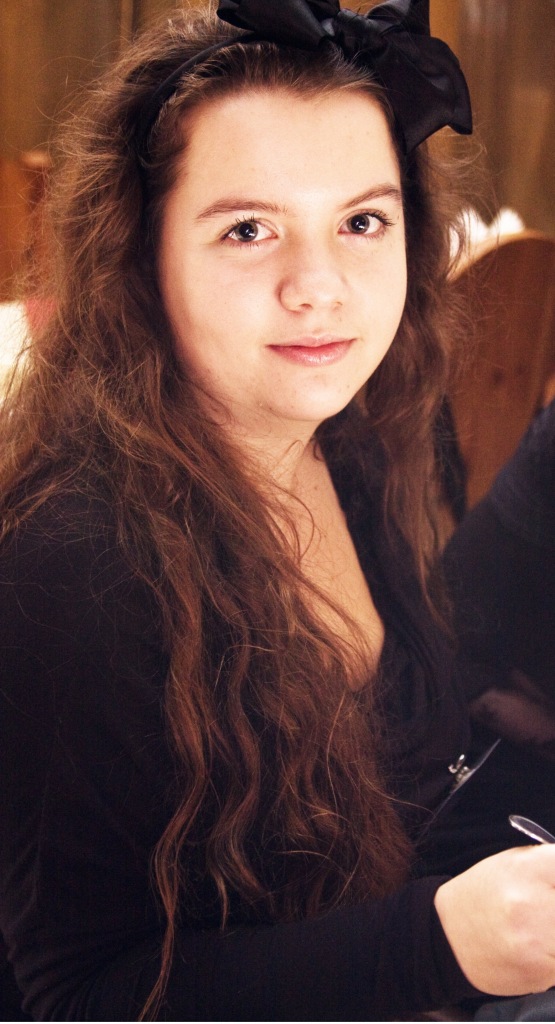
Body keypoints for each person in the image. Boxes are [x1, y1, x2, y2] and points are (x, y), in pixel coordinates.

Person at [1, 1, 555, 1020]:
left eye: (362, 222)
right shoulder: (70, 562)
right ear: (139, 255)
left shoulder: (345, 435)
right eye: (248, 229)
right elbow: (80, 997)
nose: (320, 287)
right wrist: (443, 946)